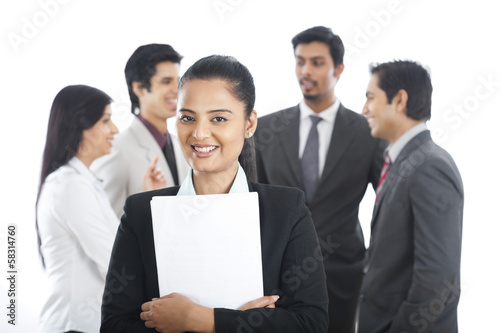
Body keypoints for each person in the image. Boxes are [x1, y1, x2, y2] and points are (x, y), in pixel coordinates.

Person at [101, 55, 329, 333]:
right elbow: (114, 326)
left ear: (249, 124)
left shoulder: (286, 209)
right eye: (187, 118)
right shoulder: (141, 212)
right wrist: (244, 322)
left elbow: (310, 325)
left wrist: (195, 319)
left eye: (218, 118)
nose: (199, 133)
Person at [254, 26, 386, 332]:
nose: (305, 71)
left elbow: (387, 204)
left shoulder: (367, 132)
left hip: (342, 276)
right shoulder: (265, 129)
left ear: (338, 68)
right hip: (277, 277)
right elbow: (250, 201)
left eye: (316, 62)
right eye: (300, 61)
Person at [36, 85, 166, 333]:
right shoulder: (69, 185)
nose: (115, 129)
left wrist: (145, 196)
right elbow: (115, 260)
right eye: (106, 120)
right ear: (80, 125)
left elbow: (117, 243)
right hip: (73, 325)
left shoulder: (84, 182)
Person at [358, 60, 463, 332]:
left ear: (400, 100)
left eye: (371, 98)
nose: (364, 109)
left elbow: (438, 279)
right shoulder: (403, 161)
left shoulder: (430, 166)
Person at [92, 43, 189, 218]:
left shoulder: (181, 146)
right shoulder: (116, 150)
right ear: (138, 88)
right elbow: (108, 228)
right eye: (166, 81)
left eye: (178, 81)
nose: (177, 89)